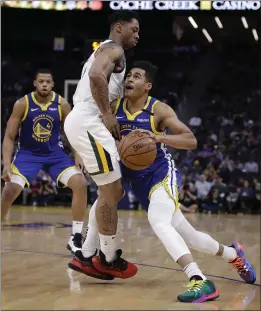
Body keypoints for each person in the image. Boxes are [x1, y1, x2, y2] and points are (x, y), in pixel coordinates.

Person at [72, 62, 256, 302]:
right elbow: (87, 129)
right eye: (128, 75)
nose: (129, 79)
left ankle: (199, 280)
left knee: (158, 221)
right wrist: (81, 154)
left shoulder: (158, 110)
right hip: (128, 174)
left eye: (136, 76)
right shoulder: (112, 108)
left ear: (147, 86)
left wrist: (158, 137)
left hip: (159, 173)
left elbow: (190, 140)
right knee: (187, 235)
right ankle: (233, 254)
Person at [64, 11, 140, 279]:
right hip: (89, 120)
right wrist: (107, 114)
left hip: (85, 121)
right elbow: (97, 76)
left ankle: (87, 254)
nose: (137, 36)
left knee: (112, 192)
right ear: (119, 27)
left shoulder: (109, 51)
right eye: (134, 29)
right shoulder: (114, 49)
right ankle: (107, 257)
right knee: (113, 190)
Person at [1, 69, 87, 255]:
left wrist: (78, 156)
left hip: (55, 155)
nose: (45, 85)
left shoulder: (62, 104)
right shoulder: (22, 104)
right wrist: (6, 163)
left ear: (53, 84)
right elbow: (9, 136)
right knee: (9, 191)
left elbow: (72, 132)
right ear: (35, 83)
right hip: (27, 154)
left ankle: (76, 237)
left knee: (80, 182)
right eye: (41, 81)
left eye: (48, 81)